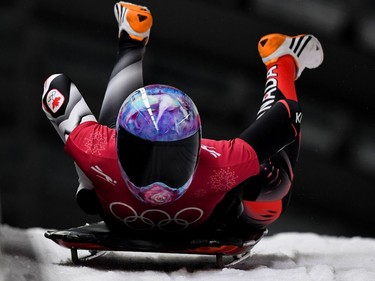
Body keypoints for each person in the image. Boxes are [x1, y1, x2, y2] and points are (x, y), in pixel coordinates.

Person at [42, 2, 323, 237]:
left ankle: (133, 39)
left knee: (271, 187)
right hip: (199, 213)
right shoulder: (222, 164)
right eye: (144, 157)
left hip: (125, 188)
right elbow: (289, 115)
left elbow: (55, 89)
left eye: (173, 158)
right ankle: (281, 62)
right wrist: (87, 178)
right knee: (270, 194)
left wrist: (87, 179)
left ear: (197, 147)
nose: (157, 188)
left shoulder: (97, 149)